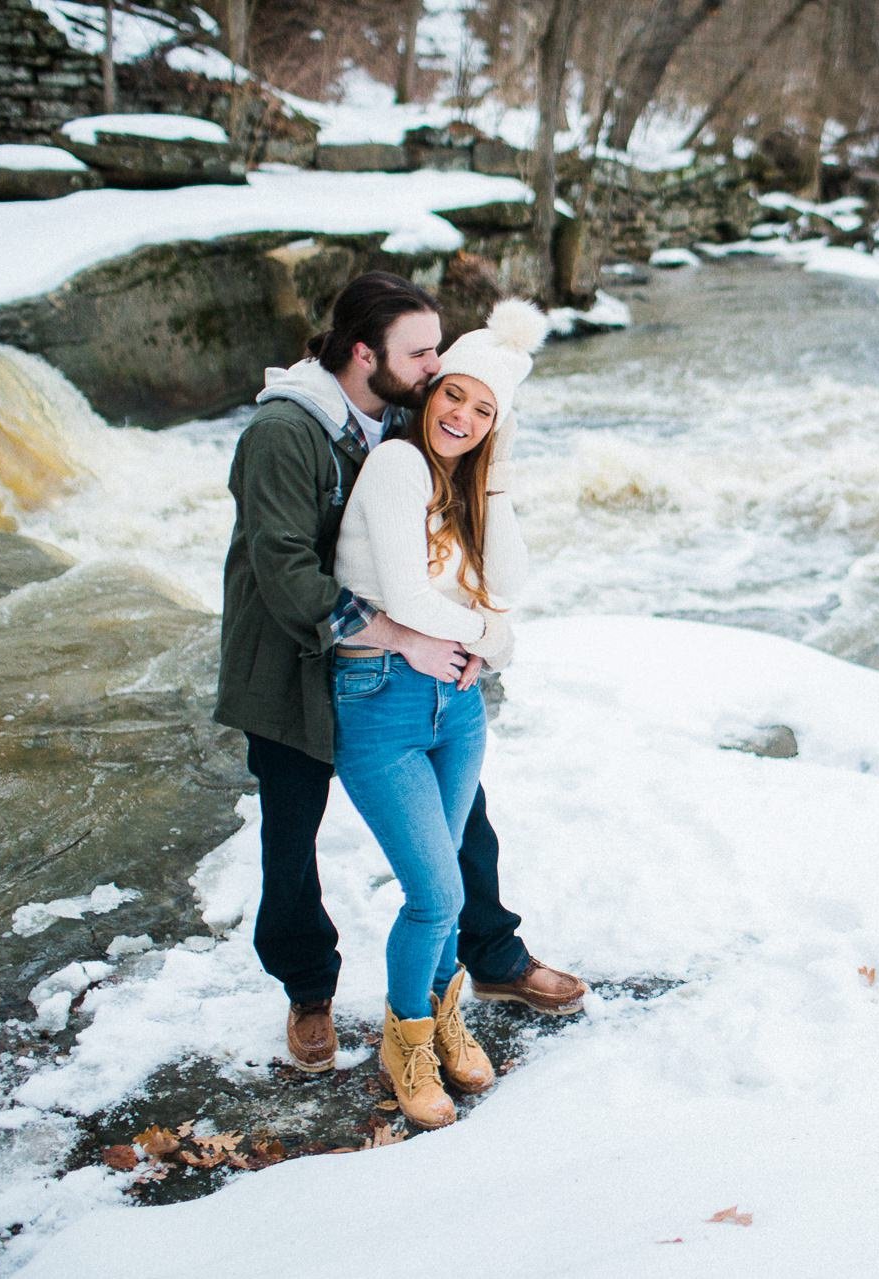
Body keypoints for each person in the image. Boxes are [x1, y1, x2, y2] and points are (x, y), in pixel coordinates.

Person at [215, 273, 587, 1082]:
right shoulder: (287, 431)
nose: (433, 366)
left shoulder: (405, 420)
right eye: (420, 353)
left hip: (392, 664)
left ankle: (489, 955)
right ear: (364, 353)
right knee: (290, 829)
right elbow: (283, 571)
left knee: (462, 822)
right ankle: (310, 989)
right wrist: (400, 632)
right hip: (289, 660)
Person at [330, 296, 552, 1128]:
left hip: (454, 709)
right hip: (380, 703)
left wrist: (492, 475)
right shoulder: (394, 468)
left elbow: (512, 581)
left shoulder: (460, 482)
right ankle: (407, 1041)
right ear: (431, 393)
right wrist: (497, 640)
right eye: (453, 394)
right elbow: (413, 599)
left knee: (451, 895)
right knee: (433, 892)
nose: (461, 415)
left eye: (483, 409)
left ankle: (441, 1011)